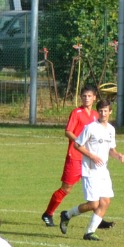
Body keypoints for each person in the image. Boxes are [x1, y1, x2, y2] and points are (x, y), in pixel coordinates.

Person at [59, 100, 123, 241]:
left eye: (106, 111)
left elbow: (111, 150)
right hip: (90, 170)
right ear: (97, 111)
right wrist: (92, 156)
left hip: (103, 172)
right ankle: (67, 215)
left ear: (110, 112)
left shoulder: (111, 129)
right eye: (101, 111)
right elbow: (77, 145)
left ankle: (89, 232)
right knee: (93, 204)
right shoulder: (90, 128)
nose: (103, 113)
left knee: (105, 202)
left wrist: (118, 155)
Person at [42, 84, 97, 227]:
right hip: (75, 156)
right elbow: (68, 131)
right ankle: (48, 213)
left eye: (89, 96)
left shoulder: (96, 115)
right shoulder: (76, 113)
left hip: (89, 159)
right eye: (84, 96)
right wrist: (79, 142)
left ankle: (98, 220)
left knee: (96, 189)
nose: (86, 98)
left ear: (94, 98)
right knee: (66, 188)